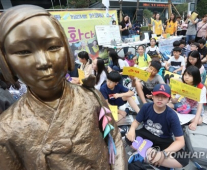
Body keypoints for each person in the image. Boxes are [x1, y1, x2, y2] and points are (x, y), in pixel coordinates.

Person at [0, 5, 127, 170]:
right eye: (24, 51)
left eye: (53, 47)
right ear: (6, 63)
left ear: (67, 50)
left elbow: (114, 137)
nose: (43, 62)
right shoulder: (6, 129)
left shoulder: (92, 96)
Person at [126, 84, 189, 168]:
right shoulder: (146, 107)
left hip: (163, 140)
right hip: (145, 135)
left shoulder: (172, 115)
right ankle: (154, 159)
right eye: (157, 95)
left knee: (183, 159)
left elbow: (180, 141)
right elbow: (136, 122)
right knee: (128, 137)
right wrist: (132, 129)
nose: (160, 99)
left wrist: (164, 153)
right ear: (152, 96)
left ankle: (145, 156)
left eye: (164, 96)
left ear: (169, 99)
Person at [169, 66, 207, 131]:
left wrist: (195, 123)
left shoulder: (201, 88)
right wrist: (170, 95)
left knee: (199, 120)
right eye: (185, 74)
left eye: (190, 75)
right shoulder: (183, 84)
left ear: (195, 77)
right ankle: (180, 115)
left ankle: (177, 115)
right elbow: (175, 100)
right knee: (166, 105)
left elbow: (200, 106)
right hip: (184, 105)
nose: (186, 77)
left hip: (195, 108)